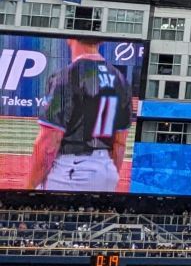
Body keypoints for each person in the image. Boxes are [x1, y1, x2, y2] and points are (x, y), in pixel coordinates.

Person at [28, 39, 136, 193]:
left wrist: (28, 189)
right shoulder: (120, 78)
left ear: (70, 37)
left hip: (71, 171)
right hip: (106, 169)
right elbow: (120, 143)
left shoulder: (67, 76)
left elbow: (48, 143)